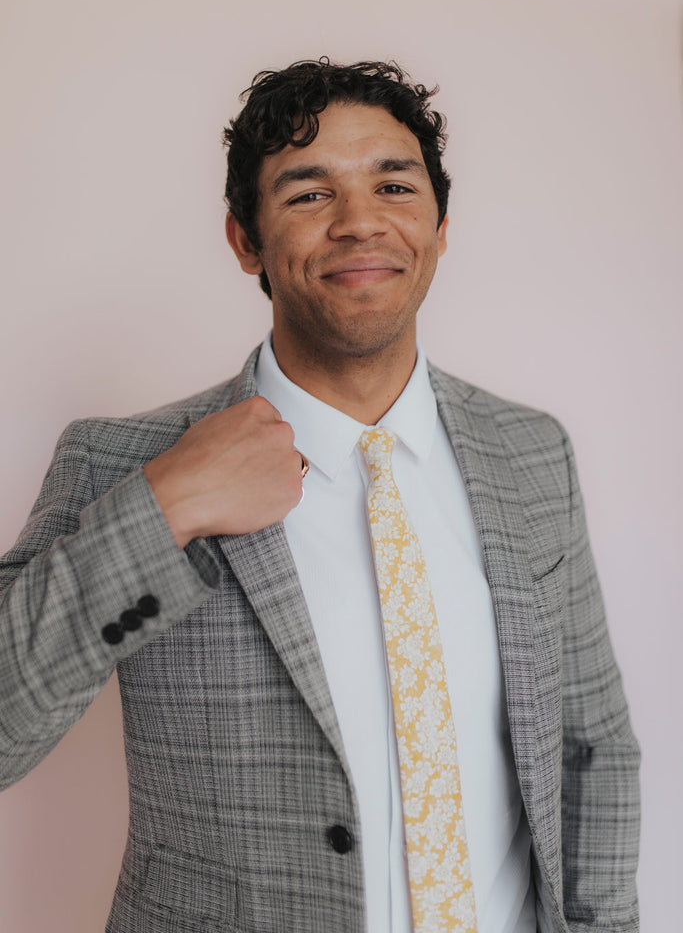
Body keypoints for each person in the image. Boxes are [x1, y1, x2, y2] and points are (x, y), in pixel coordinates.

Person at [0, 60, 640, 933]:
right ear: (244, 240)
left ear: (440, 227)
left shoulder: (530, 452)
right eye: (309, 194)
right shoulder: (123, 462)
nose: (360, 223)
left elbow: (589, 748)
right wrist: (167, 504)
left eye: (393, 184)